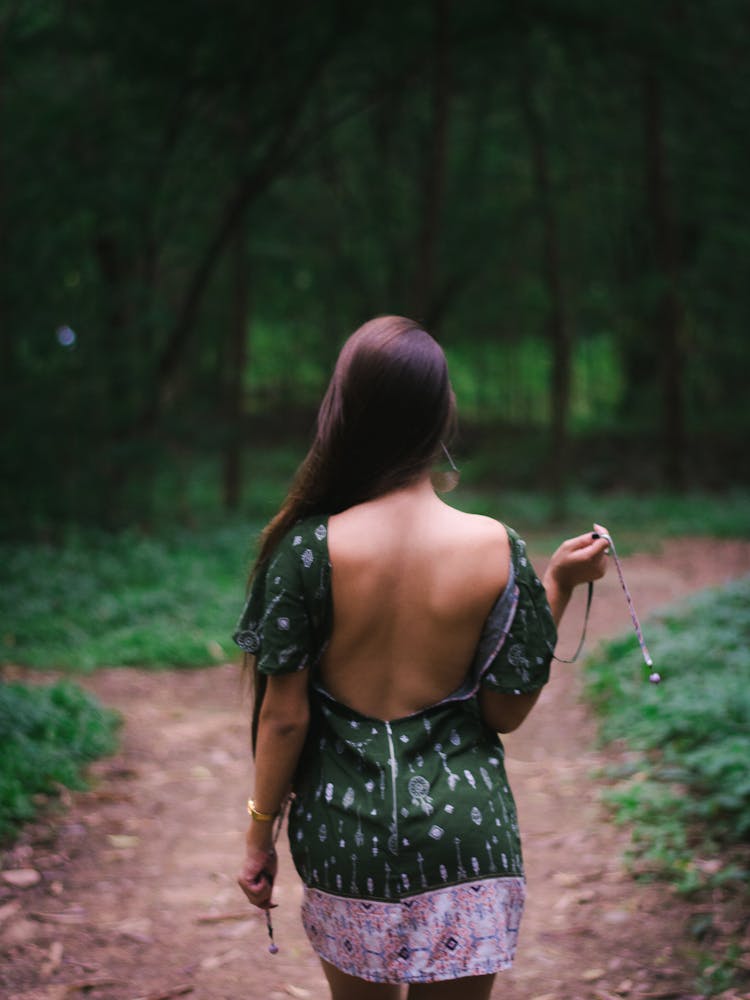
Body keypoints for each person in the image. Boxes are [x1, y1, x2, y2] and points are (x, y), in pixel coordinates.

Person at [234, 316, 609, 1000]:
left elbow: (283, 719)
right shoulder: (496, 545)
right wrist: (554, 586)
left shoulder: (307, 551)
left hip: (346, 841)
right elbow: (505, 708)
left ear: (343, 414)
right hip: (469, 840)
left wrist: (259, 836)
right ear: (441, 415)